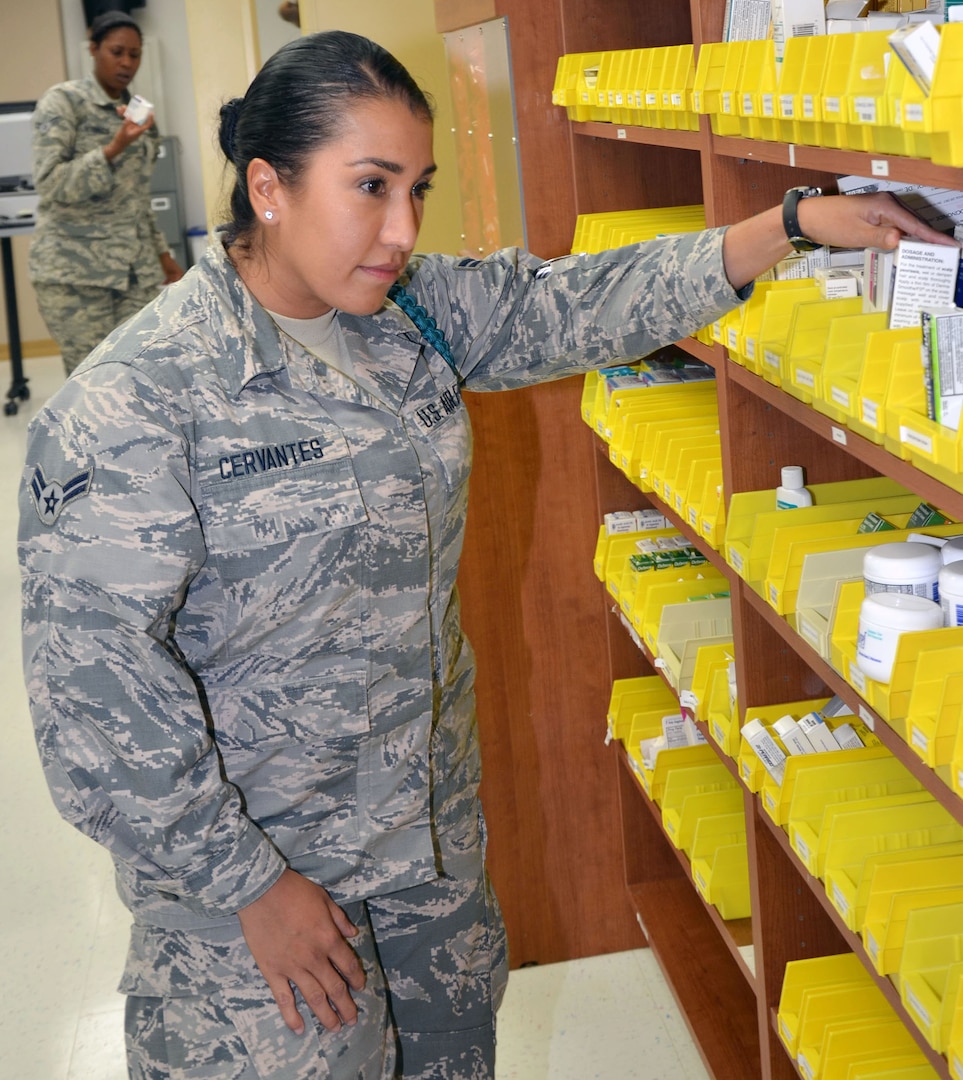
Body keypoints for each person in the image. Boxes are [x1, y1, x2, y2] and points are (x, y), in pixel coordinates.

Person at [17, 28, 955, 1080]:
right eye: (370, 186)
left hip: (427, 853)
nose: (402, 226)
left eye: (416, 187)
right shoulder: (136, 401)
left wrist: (784, 225)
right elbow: (96, 702)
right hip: (260, 902)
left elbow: (576, 302)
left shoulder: (405, 309)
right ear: (269, 189)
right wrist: (248, 887)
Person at [28, 10, 183, 378]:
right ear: (93, 49)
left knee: (142, 376)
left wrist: (163, 255)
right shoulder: (64, 102)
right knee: (92, 383)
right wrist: (112, 149)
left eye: (135, 53)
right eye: (117, 52)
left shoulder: (139, 113)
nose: (127, 62)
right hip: (76, 276)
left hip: (135, 273)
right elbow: (51, 182)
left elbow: (137, 196)